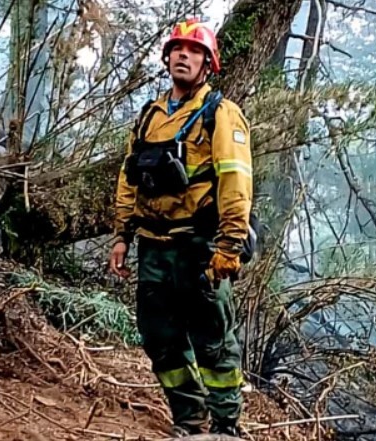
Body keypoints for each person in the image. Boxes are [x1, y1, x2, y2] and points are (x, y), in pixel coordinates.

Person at [108, 17, 253, 438]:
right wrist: (122, 235)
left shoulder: (221, 114)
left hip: (200, 247)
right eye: (177, 49)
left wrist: (229, 245)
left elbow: (236, 182)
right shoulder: (149, 117)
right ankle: (190, 422)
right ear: (167, 57)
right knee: (160, 338)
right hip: (153, 247)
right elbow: (128, 178)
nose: (183, 56)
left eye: (194, 51)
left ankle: (226, 428)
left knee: (213, 340)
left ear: (208, 64)